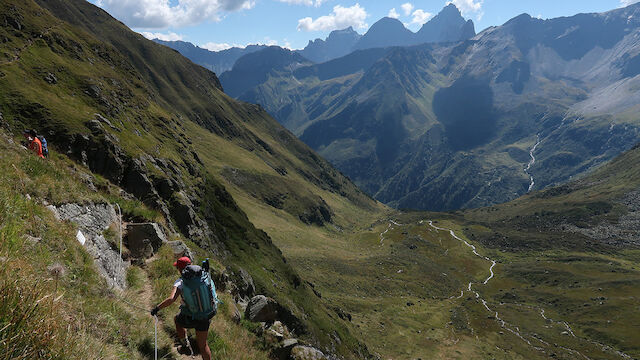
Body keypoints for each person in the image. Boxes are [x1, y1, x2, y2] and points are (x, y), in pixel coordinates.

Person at [150, 257, 215, 360]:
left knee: (177, 320)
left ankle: (185, 345)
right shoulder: (203, 277)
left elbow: (171, 299)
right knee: (203, 346)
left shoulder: (181, 282)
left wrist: (157, 308)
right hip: (206, 315)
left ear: (180, 269)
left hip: (190, 316)